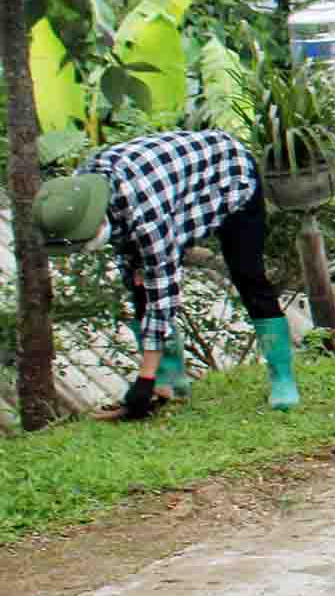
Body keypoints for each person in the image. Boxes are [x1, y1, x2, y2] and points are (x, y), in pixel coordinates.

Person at [32, 129, 299, 419]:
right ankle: (170, 383)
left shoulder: (144, 211)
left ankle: (282, 377)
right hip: (172, 183)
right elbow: (131, 256)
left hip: (228, 175)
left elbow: (164, 291)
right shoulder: (80, 195)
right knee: (138, 285)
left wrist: (143, 379)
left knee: (248, 275)